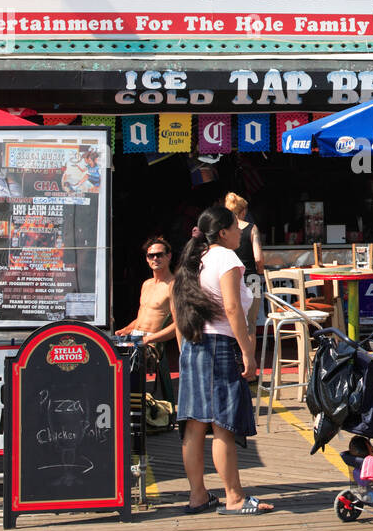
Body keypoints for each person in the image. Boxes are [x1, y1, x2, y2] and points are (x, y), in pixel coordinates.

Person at [171, 206, 273, 515]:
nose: (241, 231)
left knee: (194, 425)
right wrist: (247, 352)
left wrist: (183, 348)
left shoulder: (194, 259)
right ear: (224, 232)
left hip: (193, 344)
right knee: (223, 425)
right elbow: (232, 307)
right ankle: (234, 497)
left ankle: (198, 496)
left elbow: (177, 308)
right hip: (219, 344)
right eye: (237, 227)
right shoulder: (226, 258)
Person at [115, 236, 178, 403]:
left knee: (119, 361)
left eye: (159, 254)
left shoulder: (174, 285)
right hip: (135, 338)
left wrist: (150, 338)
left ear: (169, 256)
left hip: (151, 344)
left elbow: (178, 325)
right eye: (151, 255)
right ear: (147, 259)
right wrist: (125, 330)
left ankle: (128, 407)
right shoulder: (147, 284)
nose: (155, 258)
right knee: (101, 350)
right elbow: (141, 318)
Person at [223, 191, 265, 332]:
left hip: (229, 280)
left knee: (230, 324)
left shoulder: (222, 231)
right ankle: (248, 354)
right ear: (243, 211)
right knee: (251, 325)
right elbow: (258, 258)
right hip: (252, 279)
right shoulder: (252, 228)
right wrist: (259, 272)